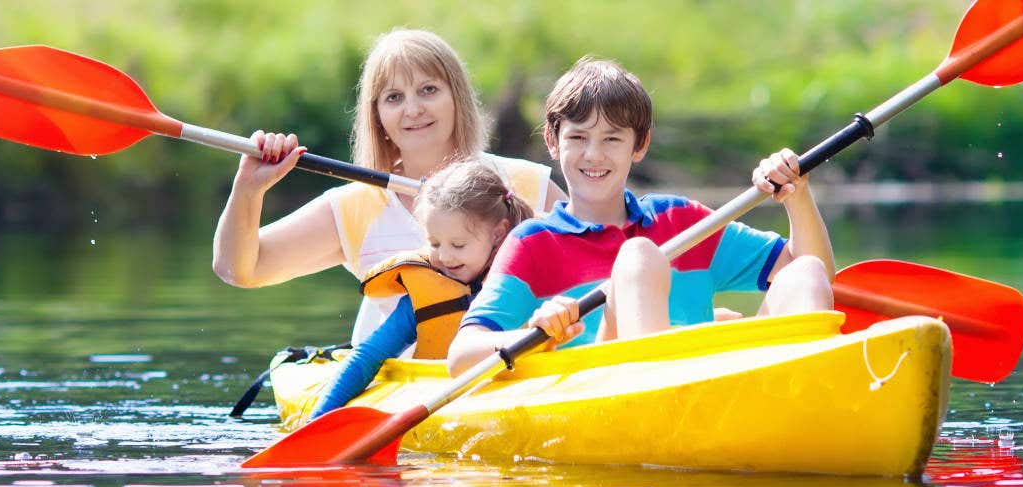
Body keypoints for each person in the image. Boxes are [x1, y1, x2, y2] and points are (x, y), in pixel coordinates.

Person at [448, 57, 837, 375]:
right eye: (578, 138)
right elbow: (460, 356)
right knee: (639, 257)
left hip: (710, 391)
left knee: (806, 273)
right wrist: (533, 333)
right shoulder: (532, 243)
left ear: (640, 144)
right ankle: (660, 391)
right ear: (553, 141)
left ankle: (804, 400)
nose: (594, 155)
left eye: (612, 139)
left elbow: (812, 271)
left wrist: (796, 195)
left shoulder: (681, 219)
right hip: (612, 396)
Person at [211, 29, 565, 344]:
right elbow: (239, 269)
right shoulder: (355, 206)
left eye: (428, 90)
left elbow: (604, 251)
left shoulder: (524, 184)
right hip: (396, 387)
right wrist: (248, 190)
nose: (412, 109)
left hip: (512, 369)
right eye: (393, 97)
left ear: (456, 98)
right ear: (377, 115)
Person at [301, 161, 533, 421]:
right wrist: (317, 420)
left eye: (458, 244)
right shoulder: (425, 293)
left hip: (527, 392)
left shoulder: (529, 275)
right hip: (448, 404)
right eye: (434, 243)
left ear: (498, 234)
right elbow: (368, 356)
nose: (445, 256)